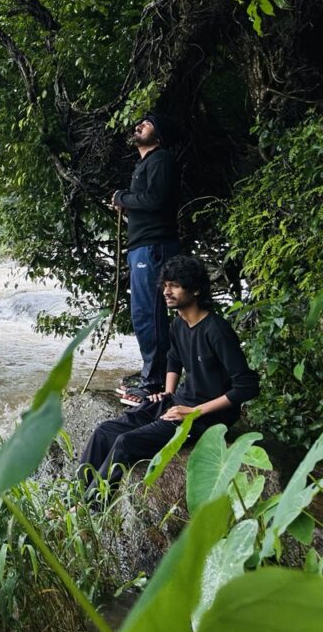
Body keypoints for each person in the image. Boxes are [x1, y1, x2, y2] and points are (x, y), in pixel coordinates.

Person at [78, 255, 259, 496]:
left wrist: (194, 412)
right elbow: (174, 357)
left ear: (195, 290)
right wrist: (168, 392)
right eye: (165, 285)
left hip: (207, 417)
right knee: (105, 431)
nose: (166, 291)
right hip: (179, 402)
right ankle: (78, 493)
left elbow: (247, 387)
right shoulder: (178, 324)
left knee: (126, 443)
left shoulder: (216, 331)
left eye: (174, 285)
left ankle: (90, 504)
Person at [112, 113, 181, 405]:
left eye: (147, 123)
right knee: (144, 313)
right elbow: (149, 201)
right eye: (138, 123)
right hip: (144, 246)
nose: (138, 126)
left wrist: (122, 198)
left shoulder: (160, 159)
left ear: (159, 134)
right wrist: (126, 202)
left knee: (149, 314)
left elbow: (156, 200)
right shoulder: (144, 164)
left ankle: (153, 385)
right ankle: (153, 377)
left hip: (154, 246)